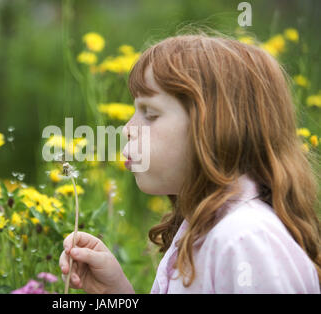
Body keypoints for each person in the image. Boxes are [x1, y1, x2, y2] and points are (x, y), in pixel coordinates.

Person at [59, 34, 321, 293]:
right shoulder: (201, 231)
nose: (127, 129)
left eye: (150, 114)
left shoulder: (244, 239)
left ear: (213, 130)